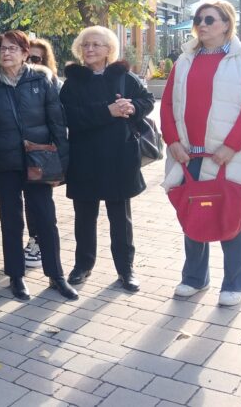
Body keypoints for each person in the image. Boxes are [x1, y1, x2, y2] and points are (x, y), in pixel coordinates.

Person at [162, 0, 241, 307]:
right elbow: (167, 103)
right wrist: (173, 141)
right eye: (198, 19)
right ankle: (195, 278)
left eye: (209, 19)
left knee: (231, 219)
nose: (202, 24)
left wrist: (231, 146)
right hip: (189, 155)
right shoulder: (184, 60)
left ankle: (234, 283)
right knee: (193, 214)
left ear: (226, 24)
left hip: (227, 157)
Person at [0, 30, 77, 301]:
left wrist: (62, 167)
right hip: (3, 164)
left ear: (25, 53)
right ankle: (16, 276)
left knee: (46, 220)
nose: (6, 53)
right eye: (3, 48)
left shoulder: (42, 80)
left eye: (13, 48)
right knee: (11, 221)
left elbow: (57, 124)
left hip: (38, 162)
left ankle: (56, 275)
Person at [59, 25, 153, 293]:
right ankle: (82, 265)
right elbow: (69, 117)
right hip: (84, 158)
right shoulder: (72, 82)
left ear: (109, 49)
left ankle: (126, 269)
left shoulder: (124, 77)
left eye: (96, 44)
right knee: (84, 218)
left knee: (121, 220)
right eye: (85, 44)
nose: (89, 49)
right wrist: (107, 111)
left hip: (119, 157)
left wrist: (133, 107)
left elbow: (147, 100)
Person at [20, 36, 63, 268]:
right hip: (20, 153)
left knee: (42, 202)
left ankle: (43, 246)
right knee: (28, 200)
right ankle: (33, 239)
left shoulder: (54, 83)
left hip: (44, 155)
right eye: (28, 57)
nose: (31, 63)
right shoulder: (14, 82)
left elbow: (60, 124)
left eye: (36, 59)